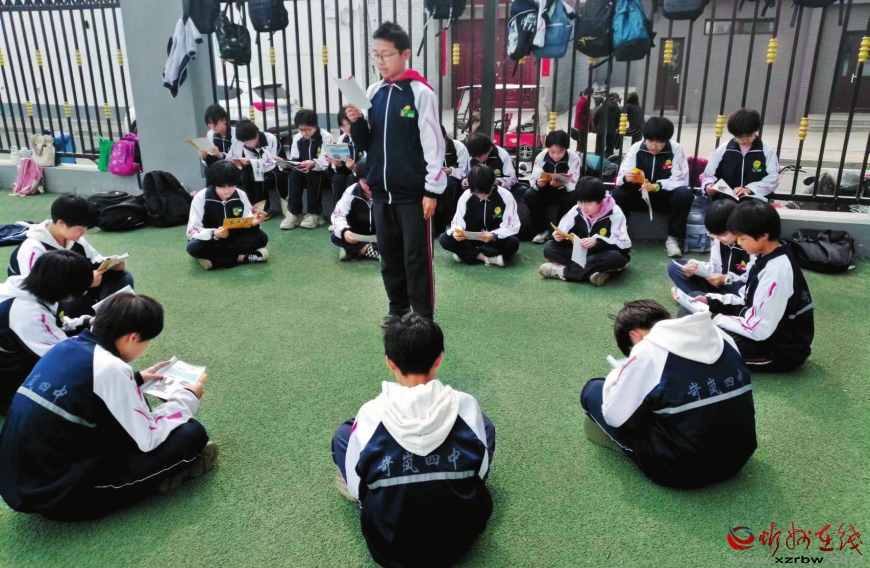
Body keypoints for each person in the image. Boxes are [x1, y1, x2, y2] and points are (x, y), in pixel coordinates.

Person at [0, 293, 216, 521]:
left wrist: (137, 379)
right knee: (191, 434)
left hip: (23, 479)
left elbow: (82, 391)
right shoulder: (109, 368)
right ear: (133, 338)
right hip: (58, 495)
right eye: (146, 341)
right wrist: (186, 397)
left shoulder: (65, 346)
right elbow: (148, 438)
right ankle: (160, 479)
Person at [331, 313, 494, 568]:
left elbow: (357, 488)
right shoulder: (466, 405)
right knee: (485, 425)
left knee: (344, 435)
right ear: (439, 359)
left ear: (390, 363)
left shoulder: (370, 413)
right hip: (459, 542)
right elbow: (481, 473)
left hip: (388, 550)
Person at [579, 300, 757, 489]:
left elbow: (614, 418)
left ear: (634, 335)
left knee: (592, 390)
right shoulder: (723, 337)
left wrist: (617, 377)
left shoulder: (647, 351)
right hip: (739, 458)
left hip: (681, 471)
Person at [345, 21, 446, 319]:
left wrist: (431, 190)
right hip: (380, 192)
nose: (380, 61)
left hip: (413, 195)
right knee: (388, 256)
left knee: (416, 258)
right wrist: (356, 121)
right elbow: (367, 142)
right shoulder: (373, 92)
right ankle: (397, 309)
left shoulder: (420, 93)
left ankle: (423, 316)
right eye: (375, 55)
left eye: (386, 54)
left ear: (405, 54)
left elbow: (434, 144)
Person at [693, 199, 814, 372]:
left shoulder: (777, 271)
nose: (739, 243)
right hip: (764, 332)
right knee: (698, 312)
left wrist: (714, 317)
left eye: (742, 238)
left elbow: (759, 329)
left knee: (703, 339)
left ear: (763, 235)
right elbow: (746, 298)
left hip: (780, 350)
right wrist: (711, 302)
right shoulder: (765, 257)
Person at [8, 193, 135, 318]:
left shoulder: (75, 240)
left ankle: (116, 317)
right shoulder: (33, 248)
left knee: (122, 277)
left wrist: (112, 263)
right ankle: (96, 321)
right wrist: (86, 281)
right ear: (61, 224)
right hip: (45, 301)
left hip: (78, 289)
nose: (84, 232)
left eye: (86, 228)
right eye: (80, 229)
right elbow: (36, 290)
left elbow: (95, 261)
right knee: (73, 300)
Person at [0, 250, 94, 414]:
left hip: (11, 345)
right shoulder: (27, 313)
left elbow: (54, 323)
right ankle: (9, 398)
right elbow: (65, 356)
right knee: (72, 379)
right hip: (7, 370)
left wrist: (84, 322)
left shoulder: (30, 285)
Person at [613, 116, 694, 258]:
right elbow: (620, 178)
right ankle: (620, 234)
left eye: (659, 142)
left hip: (663, 198)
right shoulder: (636, 148)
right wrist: (627, 178)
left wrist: (657, 186)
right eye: (650, 140)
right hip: (639, 196)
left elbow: (681, 179)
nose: (654, 146)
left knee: (684, 194)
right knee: (618, 194)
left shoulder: (675, 149)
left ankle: (673, 239)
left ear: (666, 140)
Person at [538, 176, 631, 286]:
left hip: (602, 254)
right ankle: (599, 272)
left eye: (588, 203)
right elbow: (562, 231)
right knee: (550, 247)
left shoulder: (615, 213)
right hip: (581, 254)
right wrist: (559, 237)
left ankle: (562, 272)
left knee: (615, 257)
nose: (583, 207)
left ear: (601, 201)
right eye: (580, 202)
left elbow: (624, 245)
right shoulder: (576, 210)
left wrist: (598, 241)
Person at [186, 161, 270, 270]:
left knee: (261, 238)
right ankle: (242, 258)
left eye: (231, 185)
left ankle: (215, 260)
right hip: (211, 239)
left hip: (233, 237)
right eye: (222, 186)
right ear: (214, 183)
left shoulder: (240, 195)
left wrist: (254, 223)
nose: (227, 190)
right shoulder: (201, 197)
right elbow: (193, 230)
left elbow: (247, 218)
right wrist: (214, 233)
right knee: (194, 247)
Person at [667, 197, 750, 297]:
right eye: (715, 236)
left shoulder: (750, 245)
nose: (719, 239)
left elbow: (751, 281)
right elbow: (715, 267)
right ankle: (701, 298)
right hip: (719, 286)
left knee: (745, 291)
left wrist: (726, 279)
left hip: (738, 290)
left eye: (723, 235)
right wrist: (696, 267)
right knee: (674, 267)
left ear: (736, 226)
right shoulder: (719, 240)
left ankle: (696, 297)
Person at [439, 164, 520, 267]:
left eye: (486, 192)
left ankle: (467, 253)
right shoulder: (466, 196)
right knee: (444, 238)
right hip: (472, 239)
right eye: (477, 193)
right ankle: (487, 257)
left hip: (493, 240)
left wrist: (494, 235)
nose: (482, 196)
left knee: (513, 243)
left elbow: (511, 225)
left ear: (493, 183)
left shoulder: (506, 196)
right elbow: (458, 222)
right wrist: (456, 232)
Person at [700, 108, 780, 199]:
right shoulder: (723, 150)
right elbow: (708, 175)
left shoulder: (767, 151)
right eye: (739, 137)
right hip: (725, 197)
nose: (744, 140)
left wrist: (749, 189)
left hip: (754, 198)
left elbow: (773, 179)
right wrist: (708, 186)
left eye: (749, 136)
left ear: (755, 130)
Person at [524, 130, 583, 244]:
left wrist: (563, 184)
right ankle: (542, 230)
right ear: (548, 148)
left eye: (560, 152)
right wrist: (538, 183)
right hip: (546, 190)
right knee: (530, 195)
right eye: (552, 152)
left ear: (566, 149)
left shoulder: (574, 157)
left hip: (565, 191)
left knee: (573, 198)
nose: (556, 156)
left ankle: (562, 231)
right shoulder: (541, 156)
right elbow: (534, 178)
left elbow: (574, 181)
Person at [283, 108, 334, 230]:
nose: (304, 133)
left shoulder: (325, 137)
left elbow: (326, 160)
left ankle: (315, 214)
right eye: (301, 130)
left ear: (315, 126)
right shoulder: (297, 138)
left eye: (307, 129)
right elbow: (295, 157)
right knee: (294, 174)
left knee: (312, 173)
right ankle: (294, 213)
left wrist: (314, 163)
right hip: (303, 170)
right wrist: (289, 164)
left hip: (321, 172)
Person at [226, 118, 286, 218]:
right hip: (259, 166)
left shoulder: (270, 139)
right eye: (245, 142)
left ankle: (267, 209)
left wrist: (251, 162)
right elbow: (251, 158)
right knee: (246, 174)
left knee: (262, 176)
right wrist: (244, 162)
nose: (247, 144)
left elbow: (271, 160)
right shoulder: (246, 144)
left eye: (249, 141)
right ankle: (257, 208)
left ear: (257, 134)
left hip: (277, 166)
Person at [331, 158, 380, 261]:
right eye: (365, 183)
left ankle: (355, 251)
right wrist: (345, 232)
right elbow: (338, 215)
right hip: (357, 235)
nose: (369, 187)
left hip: (381, 235)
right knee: (336, 236)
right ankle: (372, 252)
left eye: (373, 182)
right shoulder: (351, 192)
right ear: (359, 180)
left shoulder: (387, 192)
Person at [433, 125, 470, 235]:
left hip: (454, 181)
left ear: (445, 137)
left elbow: (465, 171)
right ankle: (435, 225)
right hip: (434, 179)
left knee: (449, 185)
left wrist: (451, 171)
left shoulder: (458, 147)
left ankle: (449, 221)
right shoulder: (428, 148)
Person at [328, 106, 365, 212]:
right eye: (343, 127)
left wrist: (355, 168)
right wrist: (338, 164)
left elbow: (367, 165)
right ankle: (338, 212)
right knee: (338, 178)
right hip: (349, 172)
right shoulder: (342, 139)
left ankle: (352, 214)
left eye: (349, 124)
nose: (347, 129)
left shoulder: (364, 138)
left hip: (361, 174)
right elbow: (341, 168)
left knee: (351, 179)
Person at [197, 104, 234, 172]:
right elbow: (211, 157)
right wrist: (204, 156)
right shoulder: (210, 134)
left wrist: (221, 155)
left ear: (224, 120)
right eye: (209, 124)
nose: (213, 127)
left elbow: (237, 158)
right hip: (219, 169)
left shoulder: (235, 134)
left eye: (215, 123)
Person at [593, 92, 621, 158]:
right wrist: (615, 126)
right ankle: (609, 159)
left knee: (599, 147)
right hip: (611, 130)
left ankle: (597, 159)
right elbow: (619, 120)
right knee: (610, 147)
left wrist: (597, 126)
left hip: (601, 130)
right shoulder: (617, 108)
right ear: (615, 99)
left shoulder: (602, 107)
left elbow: (595, 118)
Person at [573, 87, 594, 152]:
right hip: (581, 126)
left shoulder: (585, 101)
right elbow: (579, 114)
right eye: (593, 94)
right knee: (581, 142)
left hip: (583, 125)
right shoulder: (582, 102)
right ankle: (581, 153)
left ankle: (581, 152)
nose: (593, 95)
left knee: (582, 141)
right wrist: (587, 118)